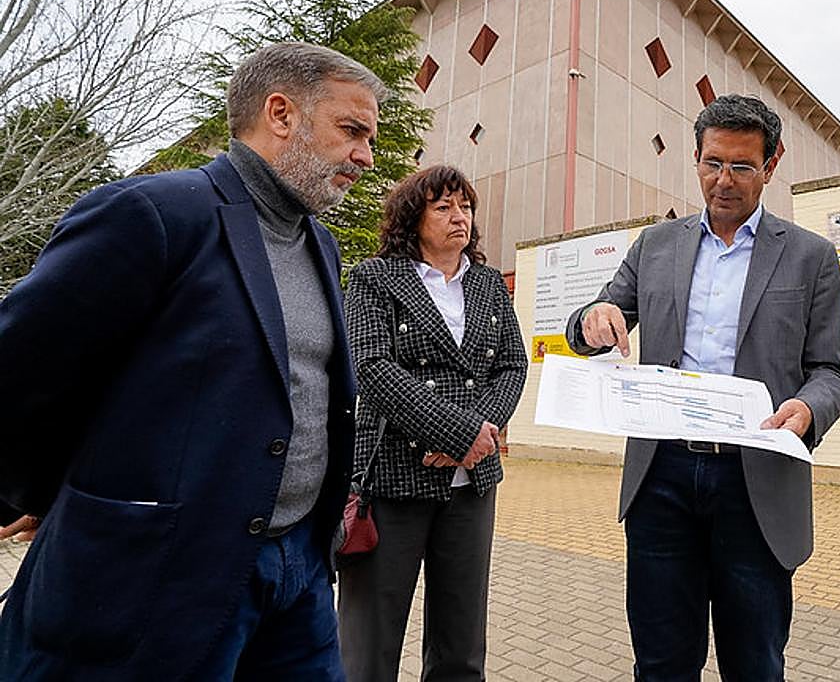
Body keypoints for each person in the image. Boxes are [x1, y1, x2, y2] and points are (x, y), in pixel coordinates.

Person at [0, 42, 383, 680]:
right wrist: (58, 496)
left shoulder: (322, 244)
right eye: (352, 130)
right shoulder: (152, 214)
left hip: (300, 573)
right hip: (163, 582)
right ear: (281, 114)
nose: (366, 156)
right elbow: (21, 368)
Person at [565, 94, 840, 681]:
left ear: (771, 165)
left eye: (742, 166)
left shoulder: (811, 257)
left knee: (755, 662)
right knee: (662, 661)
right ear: (696, 159)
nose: (724, 180)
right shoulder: (655, 246)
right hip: (662, 478)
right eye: (712, 163)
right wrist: (592, 319)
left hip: (755, 478)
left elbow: (832, 372)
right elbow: (592, 321)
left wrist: (807, 409)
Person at [337, 165, 527, 682]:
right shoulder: (376, 278)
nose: (459, 216)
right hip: (392, 480)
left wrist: (475, 438)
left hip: (472, 485)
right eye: (443, 207)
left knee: (461, 647)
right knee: (369, 645)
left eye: (465, 207)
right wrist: (458, 434)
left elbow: (512, 364)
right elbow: (371, 367)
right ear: (412, 218)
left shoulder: (488, 283)